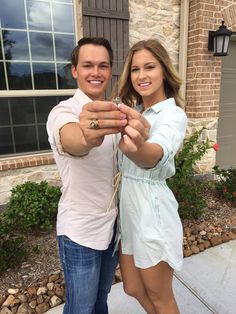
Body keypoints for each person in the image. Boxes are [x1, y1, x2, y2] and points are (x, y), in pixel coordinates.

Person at [46, 37, 149, 314]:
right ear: (75, 70)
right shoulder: (63, 112)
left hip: (112, 230)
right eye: (88, 65)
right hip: (80, 232)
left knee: (101, 300)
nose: (96, 72)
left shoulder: (118, 113)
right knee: (80, 307)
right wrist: (88, 136)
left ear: (111, 70)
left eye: (103, 65)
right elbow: (73, 140)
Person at [113, 39, 188, 314]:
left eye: (149, 67)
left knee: (161, 298)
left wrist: (137, 148)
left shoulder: (173, 115)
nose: (141, 75)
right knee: (132, 287)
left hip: (152, 214)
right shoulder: (139, 113)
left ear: (164, 71)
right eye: (135, 69)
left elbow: (155, 153)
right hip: (130, 213)